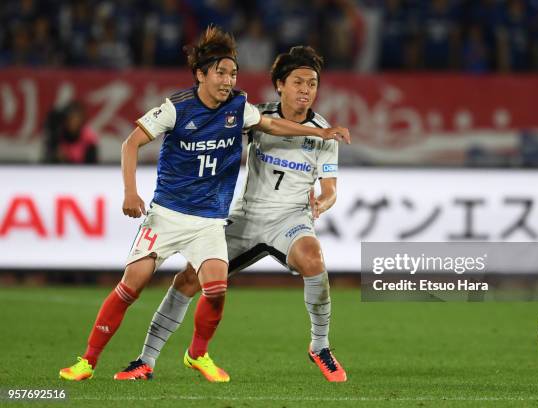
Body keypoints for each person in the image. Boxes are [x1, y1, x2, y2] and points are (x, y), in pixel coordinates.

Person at [59, 28, 350, 382]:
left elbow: (329, 184)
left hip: (276, 221)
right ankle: (139, 360)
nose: (306, 90)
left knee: (308, 262)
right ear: (279, 85)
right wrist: (131, 191)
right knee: (177, 282)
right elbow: (269, 124)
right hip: (225, 215)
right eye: (299, 82)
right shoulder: (234, 111)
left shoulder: (293, 124)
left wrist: (323, 193)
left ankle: (317, 347)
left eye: (313, 84)